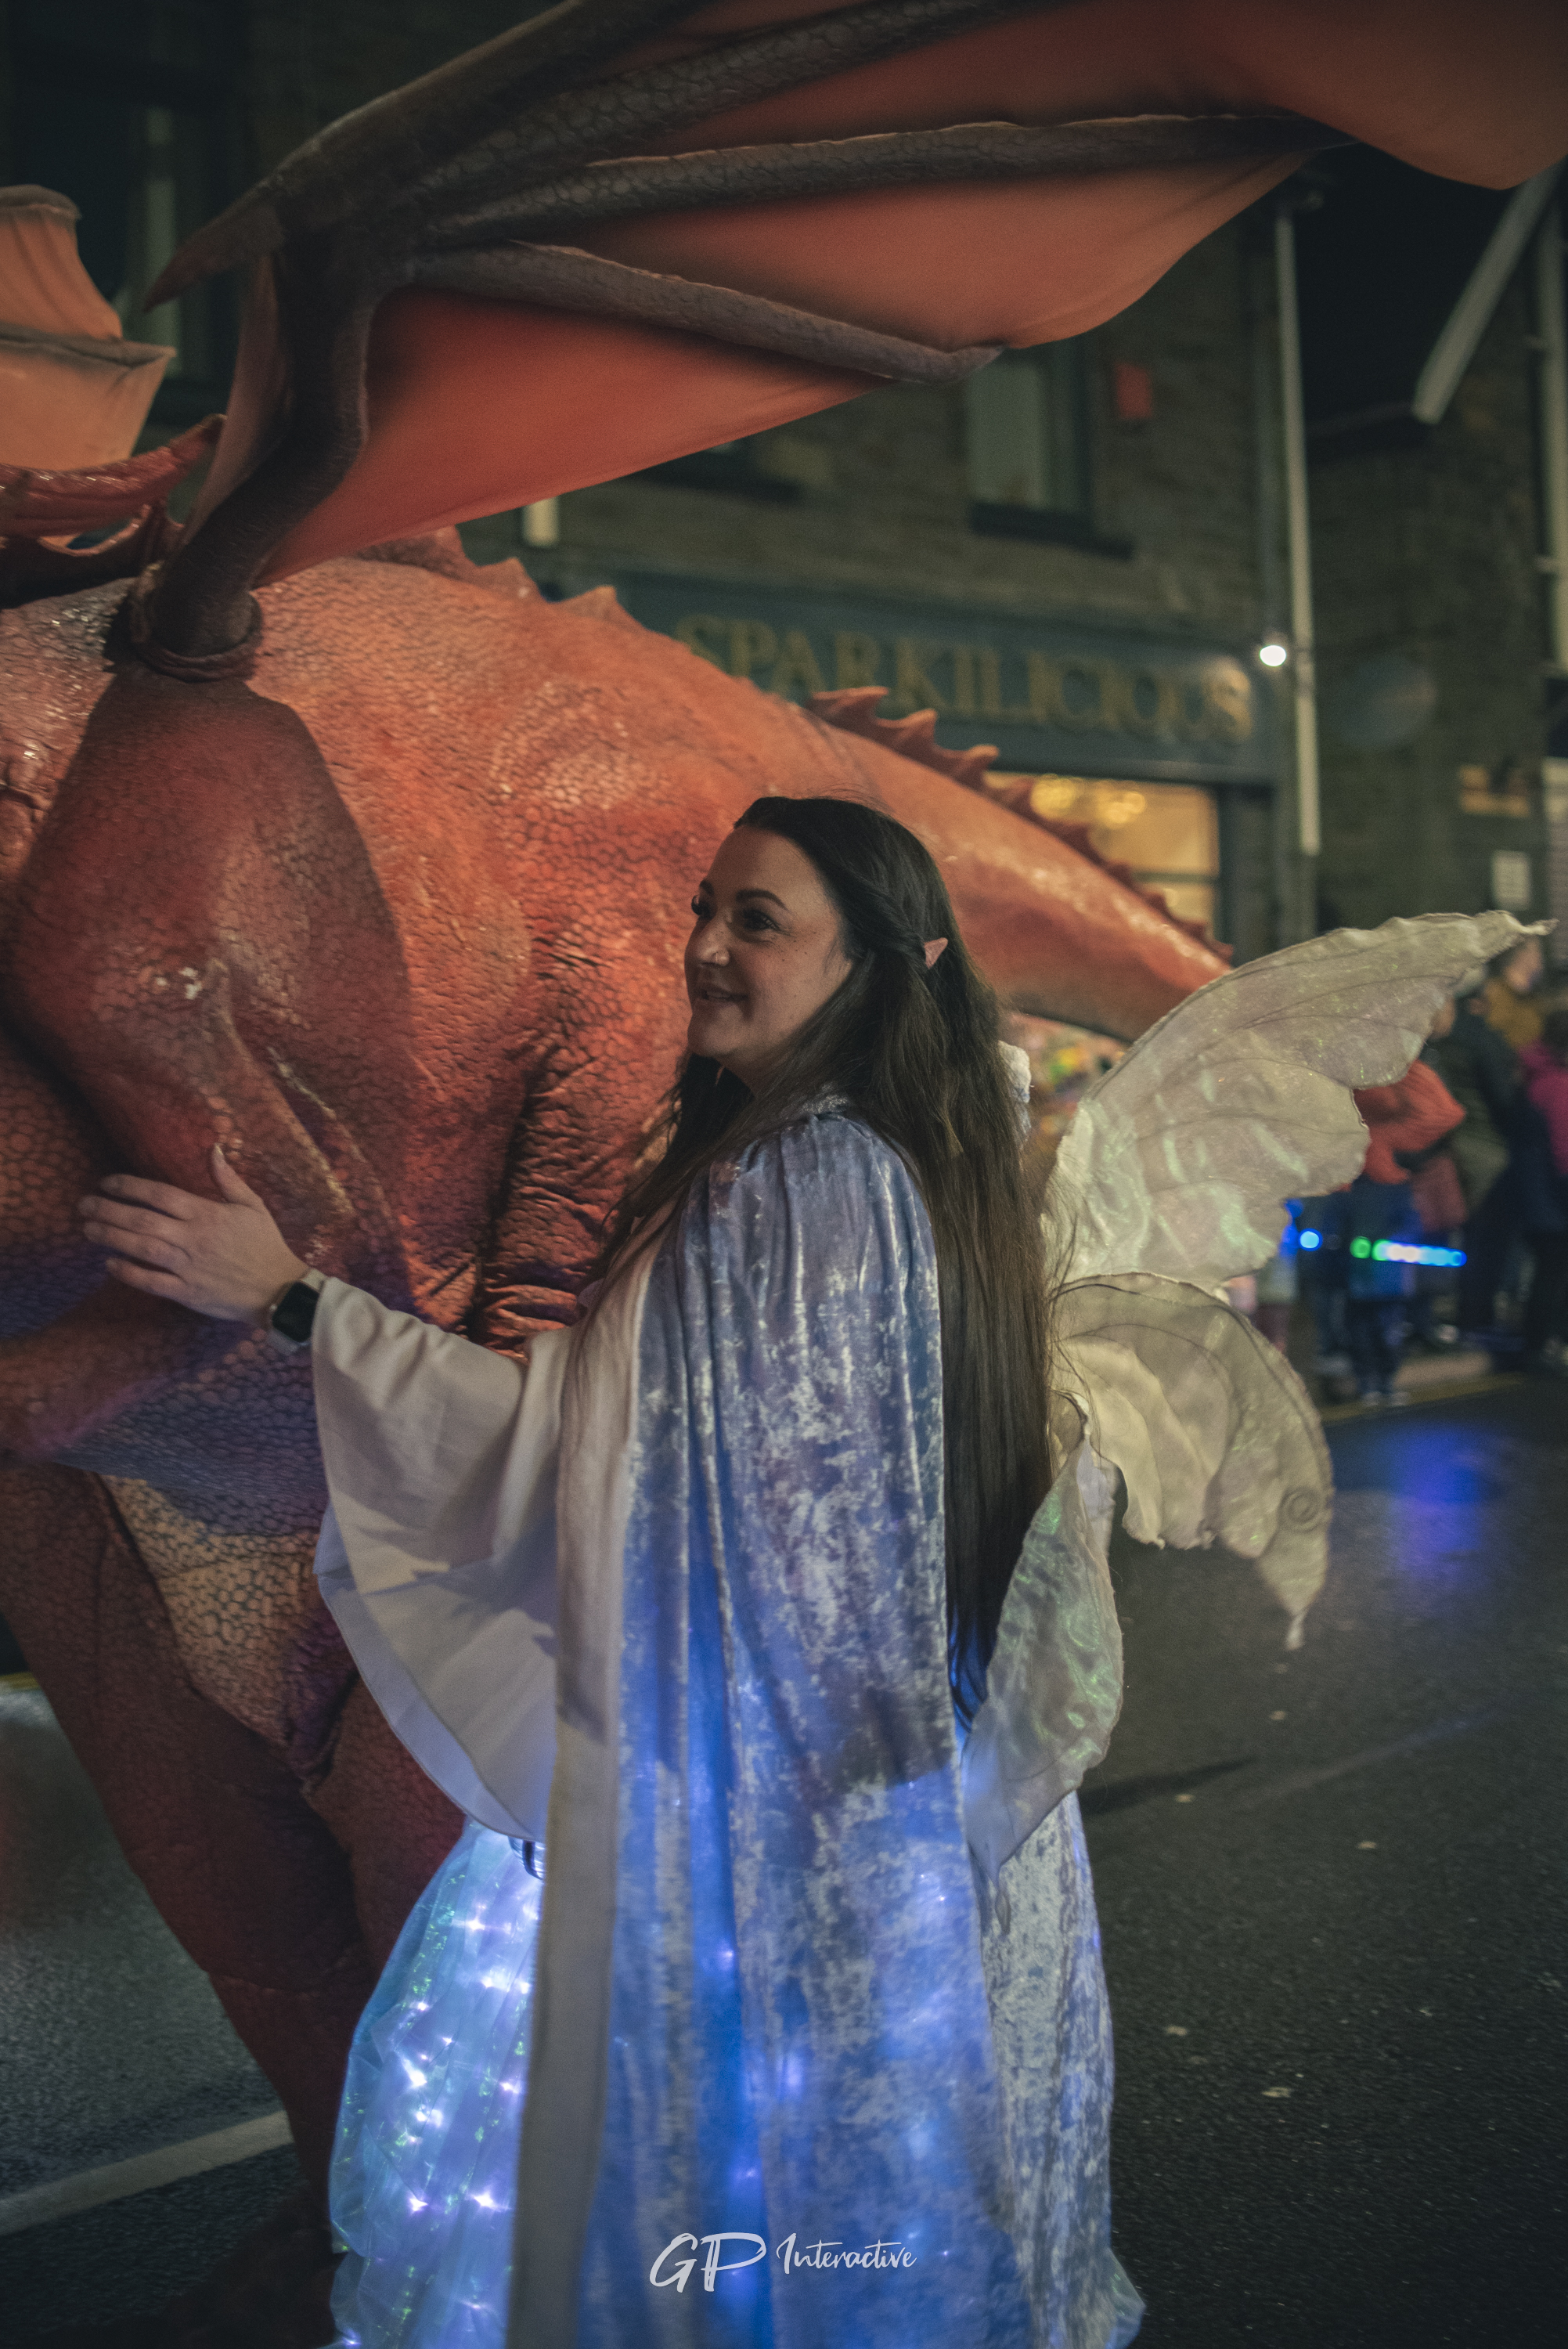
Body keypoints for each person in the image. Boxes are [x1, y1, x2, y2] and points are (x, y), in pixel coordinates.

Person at [74, 850, 1522, 2349]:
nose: (702, 943)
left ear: (874, 968)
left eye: (755, 919)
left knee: (720, 2239)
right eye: (701, 906)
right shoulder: (870, 1156)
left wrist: (295, 1301)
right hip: (851, 1831)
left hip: (758, 1841)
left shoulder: (807, 1183)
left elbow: (597, 1467)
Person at [1515, 1003, 1568, 1373]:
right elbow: (1565, 1152)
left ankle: (1541, 1345)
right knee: (1553, 1273)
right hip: (1554, 1199)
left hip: (1538, 1196)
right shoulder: (1558, 1084)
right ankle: (1542, 1348)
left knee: (1548, 1271)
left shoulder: (1538, 1076)